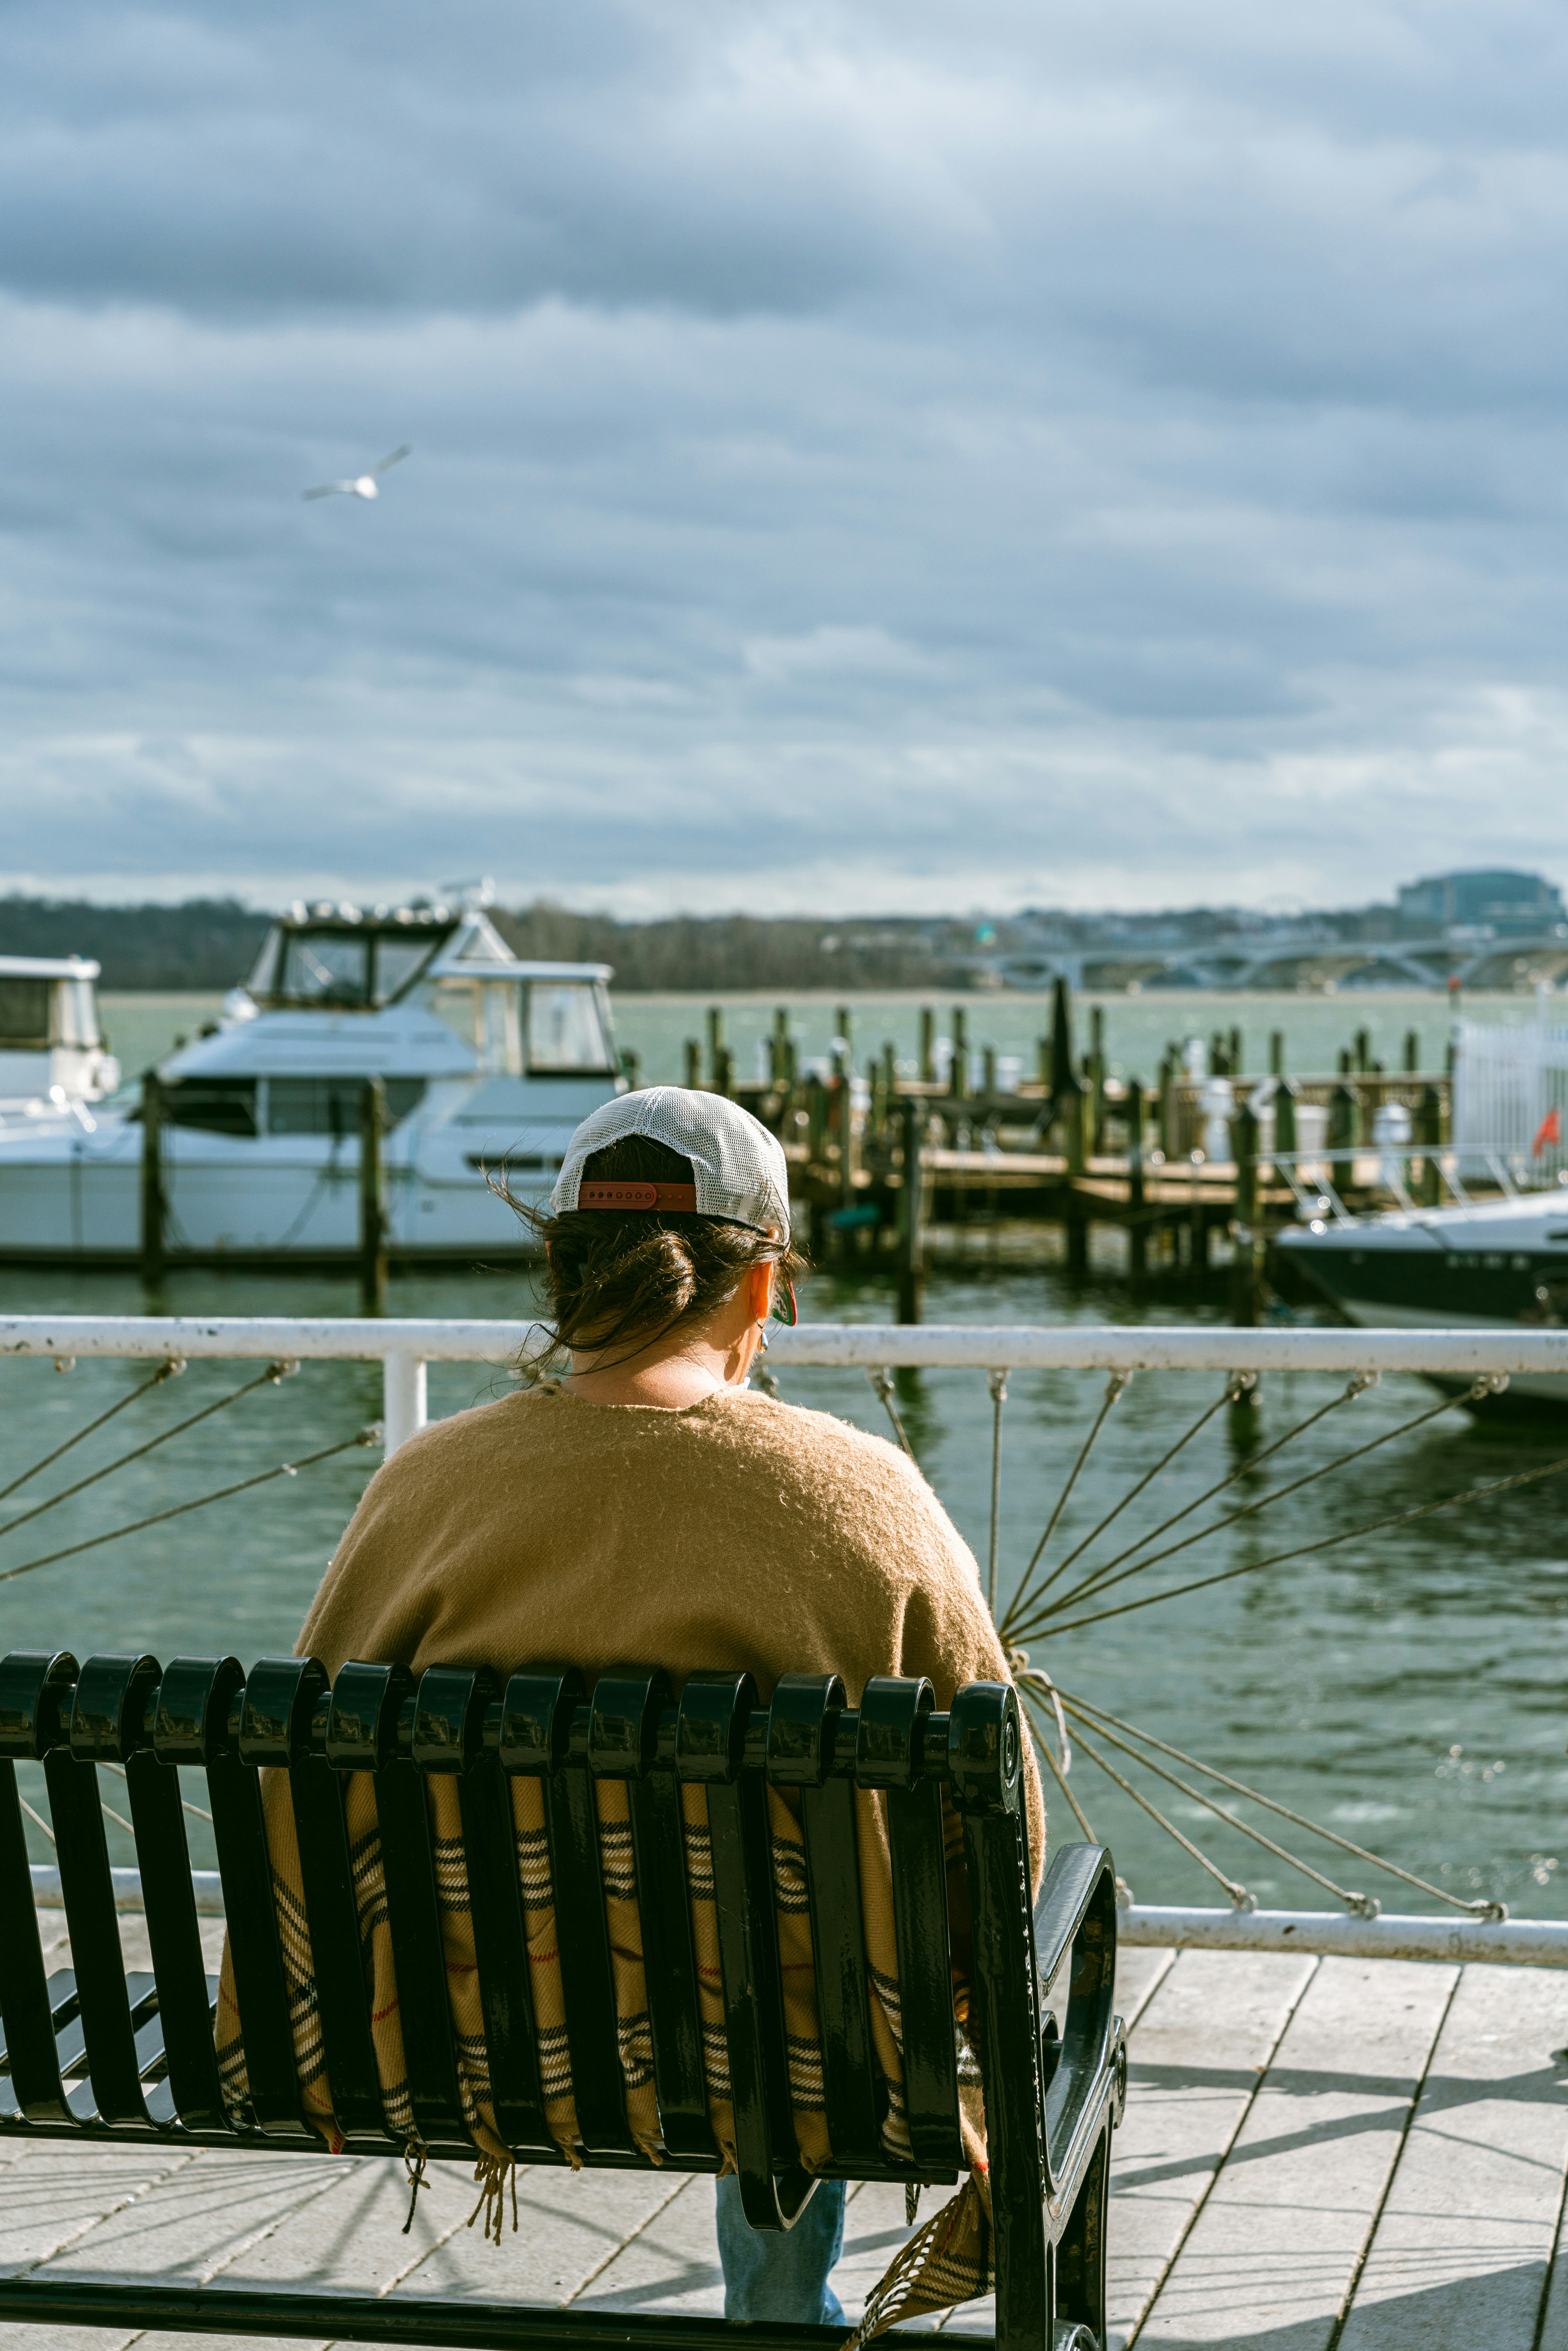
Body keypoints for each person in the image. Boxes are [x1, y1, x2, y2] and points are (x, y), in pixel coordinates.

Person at [217, 1087, 1042, 2331]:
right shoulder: (862, 1495)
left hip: (473, 2034)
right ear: (763, 1286)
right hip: (799, 2062)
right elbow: (998, 1843)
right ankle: (783, 2310)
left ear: (559, 1271)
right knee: (793, 1943)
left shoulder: (426, 1483)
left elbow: (313, 1779)